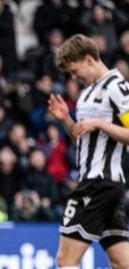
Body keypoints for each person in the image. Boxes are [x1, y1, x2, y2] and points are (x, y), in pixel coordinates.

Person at [47, 33, 129, 268]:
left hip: (98, 183)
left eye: (75, 70)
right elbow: (85, 142)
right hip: (103, 184)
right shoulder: (86, 93)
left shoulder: (117, 87)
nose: (74, 77)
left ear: (89, 59)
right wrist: (65, 120)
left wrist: (101, 123)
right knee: (121, 261)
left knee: (66, 260)